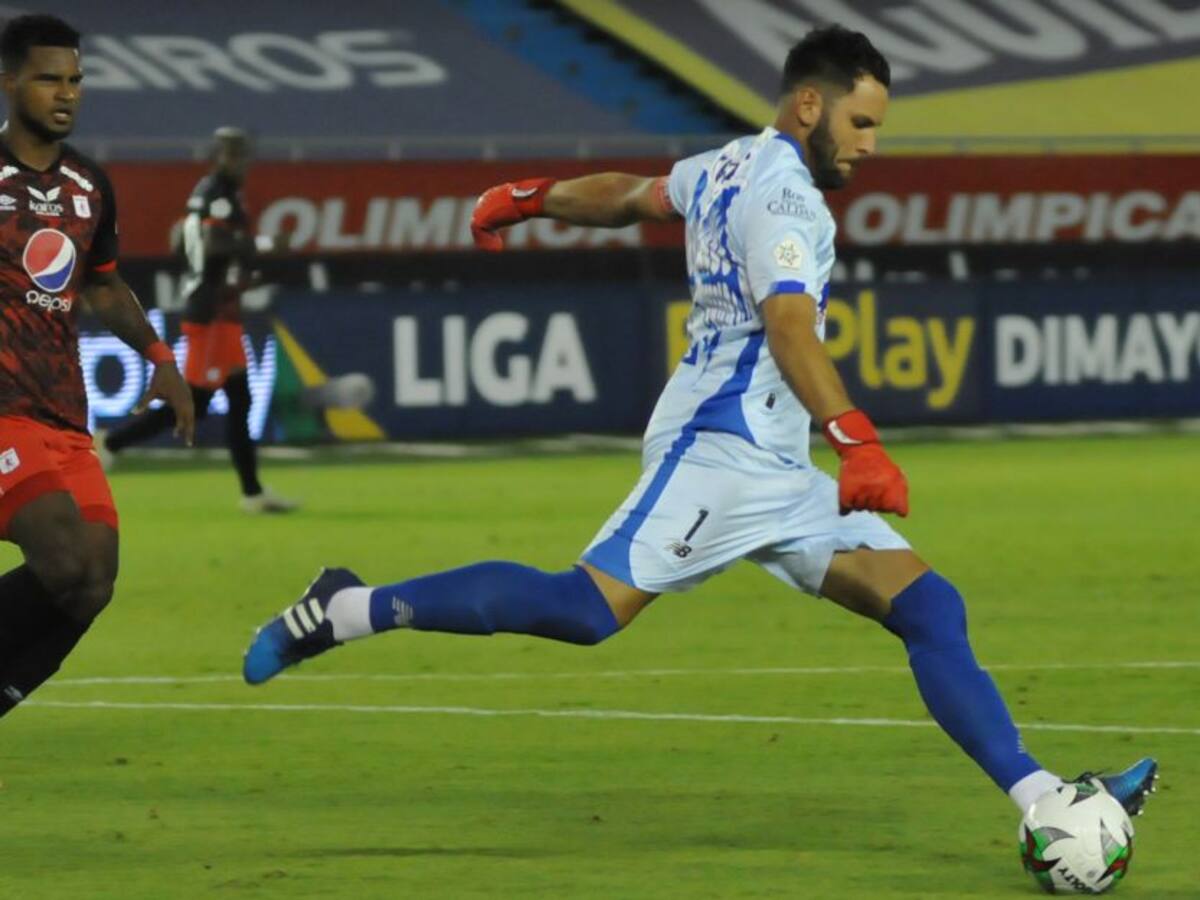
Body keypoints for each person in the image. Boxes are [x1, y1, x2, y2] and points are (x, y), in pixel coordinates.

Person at [242, 26, 1156, 820]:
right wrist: (857, 439)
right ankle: (348, 608)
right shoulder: (785, 196)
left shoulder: (727, 164)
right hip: (719, 450)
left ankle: (1045, 801)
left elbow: (630, 196)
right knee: (584, 611)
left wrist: (532, 199)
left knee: (927, 605)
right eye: (861, 122)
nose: (871, 145)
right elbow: (789, 325)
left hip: (772, 462)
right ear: (810, 104)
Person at [0, 14, 194, 717]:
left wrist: (159, 356)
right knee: (61, 559)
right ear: (9, 81)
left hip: (63, 414)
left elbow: (104, 285)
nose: (66, 93)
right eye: (49, 78)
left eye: (76, 80)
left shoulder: (89, 183)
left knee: (93, 581)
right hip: (2, 413)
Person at [97, 127, 296, 514]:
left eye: (243, 154)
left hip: (222, 311)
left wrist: (232, 273)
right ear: (216, 156)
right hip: (211, 315)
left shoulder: (211, 194)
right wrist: (265, 245)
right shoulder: (218, 195)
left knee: (240, 399)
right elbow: (213, 244)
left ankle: (253, 493)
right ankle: (111, 443)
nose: (240, 162)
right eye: (232, 154)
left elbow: (181, 242)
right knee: (196, 402)